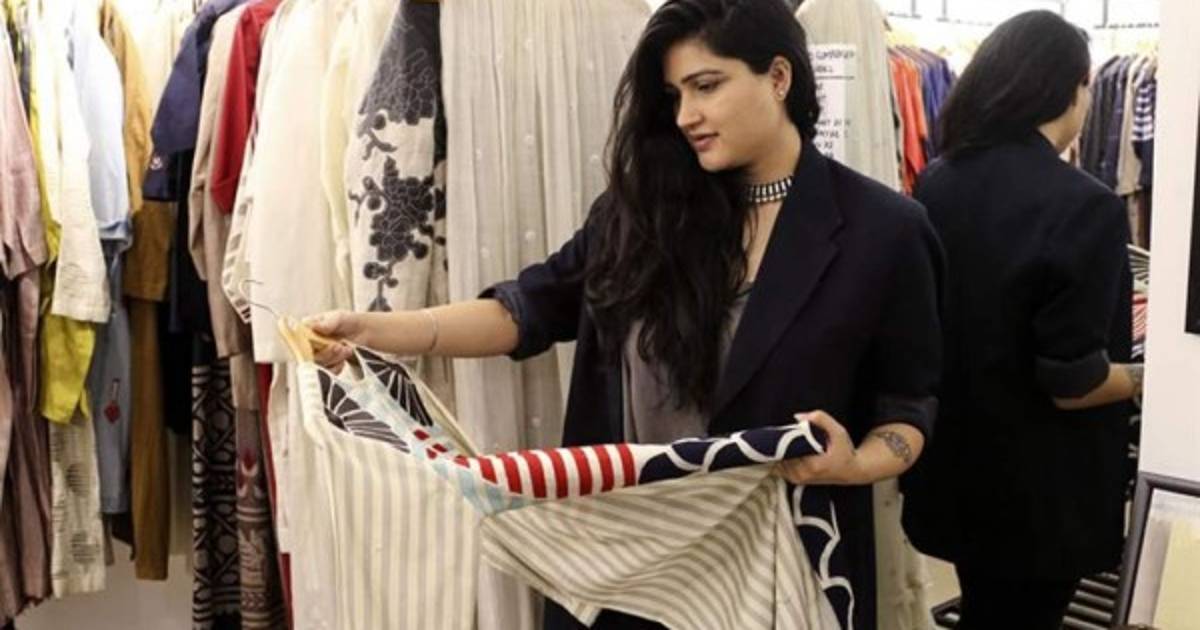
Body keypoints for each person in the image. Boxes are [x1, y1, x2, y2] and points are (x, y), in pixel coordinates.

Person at [309, 0, 943, 627]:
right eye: (674, 96)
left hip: (782, 571)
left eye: (706, 86)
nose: (687, 116)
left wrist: (856, 465)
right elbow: (526, 310)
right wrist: (375, 331)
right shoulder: (645, 212)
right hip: (624, 568)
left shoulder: (883, 231)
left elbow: (908, 407)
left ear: (779, 77)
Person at [901, 11, 1144, 630]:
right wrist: (1148, 379)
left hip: (957, 470)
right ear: (1073, 88)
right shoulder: (1084, 206)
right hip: (1040, 497)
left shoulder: (939, 180)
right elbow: (1074, 381)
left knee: (986, 609)